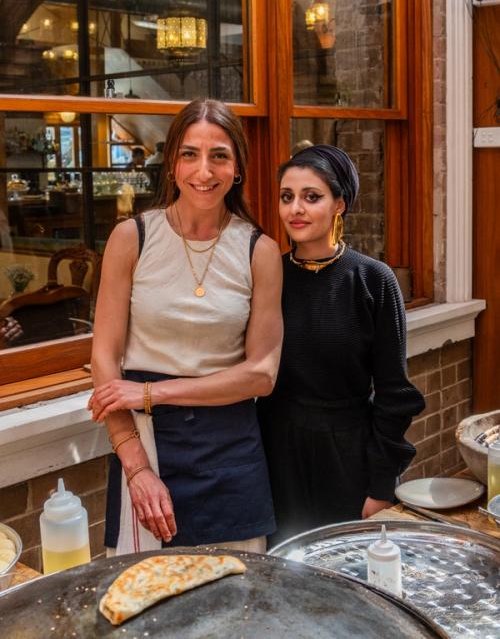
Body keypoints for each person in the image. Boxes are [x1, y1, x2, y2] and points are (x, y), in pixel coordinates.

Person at [89, 99, 283, 555]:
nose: (204, 170)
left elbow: (262, 375)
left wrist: (153, 393)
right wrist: (135, 467)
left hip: (231, 450)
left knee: (238, 605)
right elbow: (104, 359)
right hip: (145, 442)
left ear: (237, 168)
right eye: (190, 154)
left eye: (219, 155)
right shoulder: (131, 237)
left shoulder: (260, 251)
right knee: (147, 606)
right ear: (172, 164)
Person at [258, 144, 425, 546]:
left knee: (352, 575)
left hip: (350, 455)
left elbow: (394, 394)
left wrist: (382, 484)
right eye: (287, 197)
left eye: (311, 197)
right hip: (277, 454)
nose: (295, 208)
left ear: (339, 204)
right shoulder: (267, 275)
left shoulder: (373, 280)